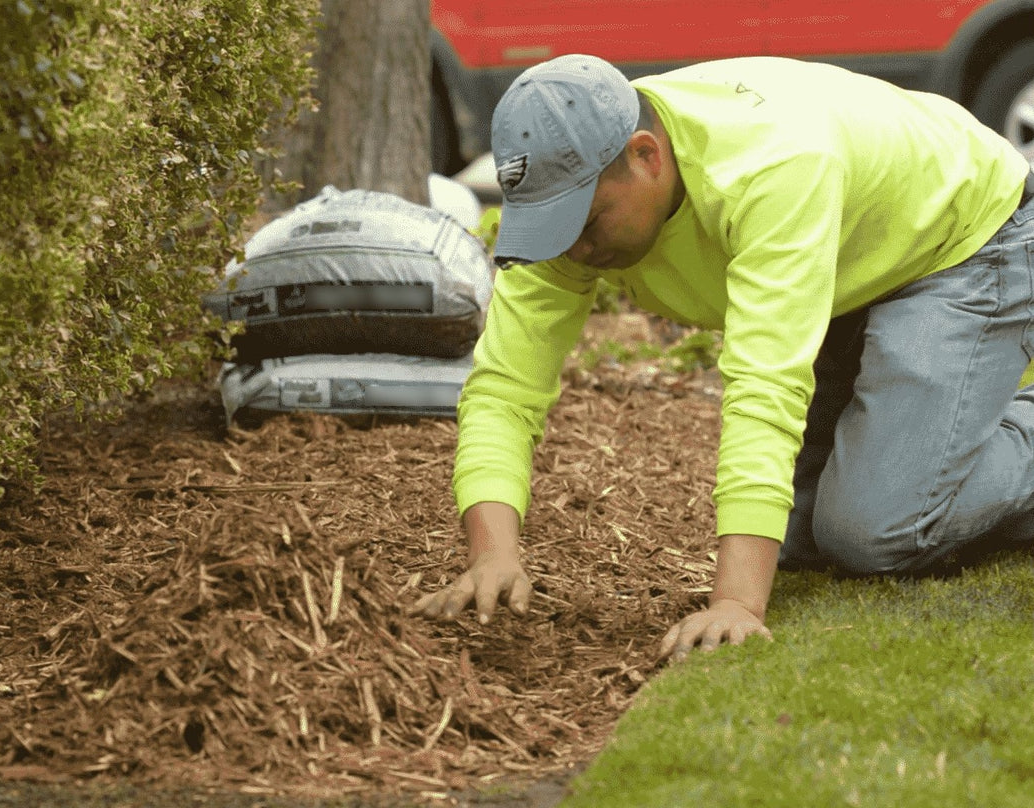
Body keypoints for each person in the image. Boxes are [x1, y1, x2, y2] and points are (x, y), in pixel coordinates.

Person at [409, 54, 1034, 662]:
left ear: (646, 156)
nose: (570, 247)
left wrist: (737, 603)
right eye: (550, 225)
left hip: (964, 236)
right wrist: (492, 556)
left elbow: (767, 382)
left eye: (585, 220)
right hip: (854, 258)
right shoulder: (566, 223)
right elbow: (503, 390)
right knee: (793, 535)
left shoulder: (770, 166)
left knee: (874, 531)